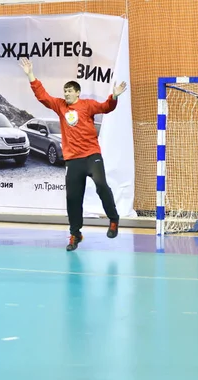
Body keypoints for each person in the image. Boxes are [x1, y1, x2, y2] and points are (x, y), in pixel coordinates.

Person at [19, 57, 128, 251]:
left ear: (77, 93)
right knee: (72, 198)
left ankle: (113, 219)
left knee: (101, 185)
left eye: (70, 91)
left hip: (91, 155)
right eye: (65, 91)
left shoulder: (87, 105)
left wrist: (114, 96)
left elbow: (106, 107)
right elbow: (42, 96)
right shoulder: (61, 106)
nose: (66, 94)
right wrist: (30, 75)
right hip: (73, 160)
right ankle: (75, 234)